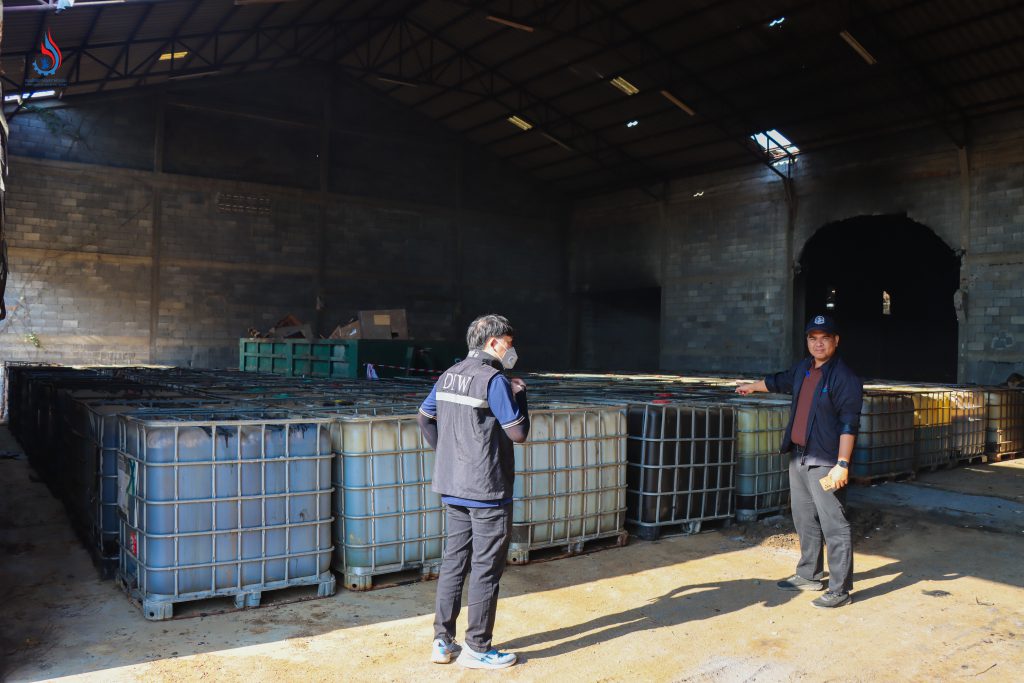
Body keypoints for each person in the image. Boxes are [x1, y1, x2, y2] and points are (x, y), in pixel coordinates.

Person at [417, 314, 530, 669]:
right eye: (509, 344)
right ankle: (478, 647)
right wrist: (521, 396)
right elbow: (518, 433)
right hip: (488, 490)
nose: (511, 350)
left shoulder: (449, 375)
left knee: (455, 562)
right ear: (494, 343)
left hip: (454, 486)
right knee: (486, 568)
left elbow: (423, 417)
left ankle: (442, 641)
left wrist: (447, 456)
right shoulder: (494, 379)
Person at [735, 314, 863, 608]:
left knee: (834, 523)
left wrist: (842, 463)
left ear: (836, 341)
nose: (818, 344)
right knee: (804, 518)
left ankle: (840, 590)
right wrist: (752, 387)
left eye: (825, 338)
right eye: (812, 338)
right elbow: (778, 381)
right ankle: (809, 574)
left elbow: (849, 423)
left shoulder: (845, 378)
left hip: (826, 460)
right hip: (799, 455)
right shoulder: (804, 368)